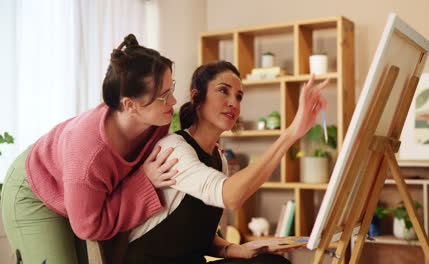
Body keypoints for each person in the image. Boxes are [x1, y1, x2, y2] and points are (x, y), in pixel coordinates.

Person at [124, 61, 329, 264]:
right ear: (197, 97)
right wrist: (291, 134)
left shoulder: (218, 158)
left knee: (271, 262)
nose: (234, 103)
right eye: (223, 91)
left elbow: (199, 236)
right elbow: (231, 197)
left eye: (239, 97)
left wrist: (241, 249)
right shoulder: (173, 148)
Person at [0, 34, 179, 264]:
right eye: (164, 96)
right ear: (130, 105)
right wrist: (144, 182)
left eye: (171, 87)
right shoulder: (89, 155)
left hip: (76, 195)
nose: (173, 101)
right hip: (34, 190)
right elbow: (89, 227)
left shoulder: (155, 123)